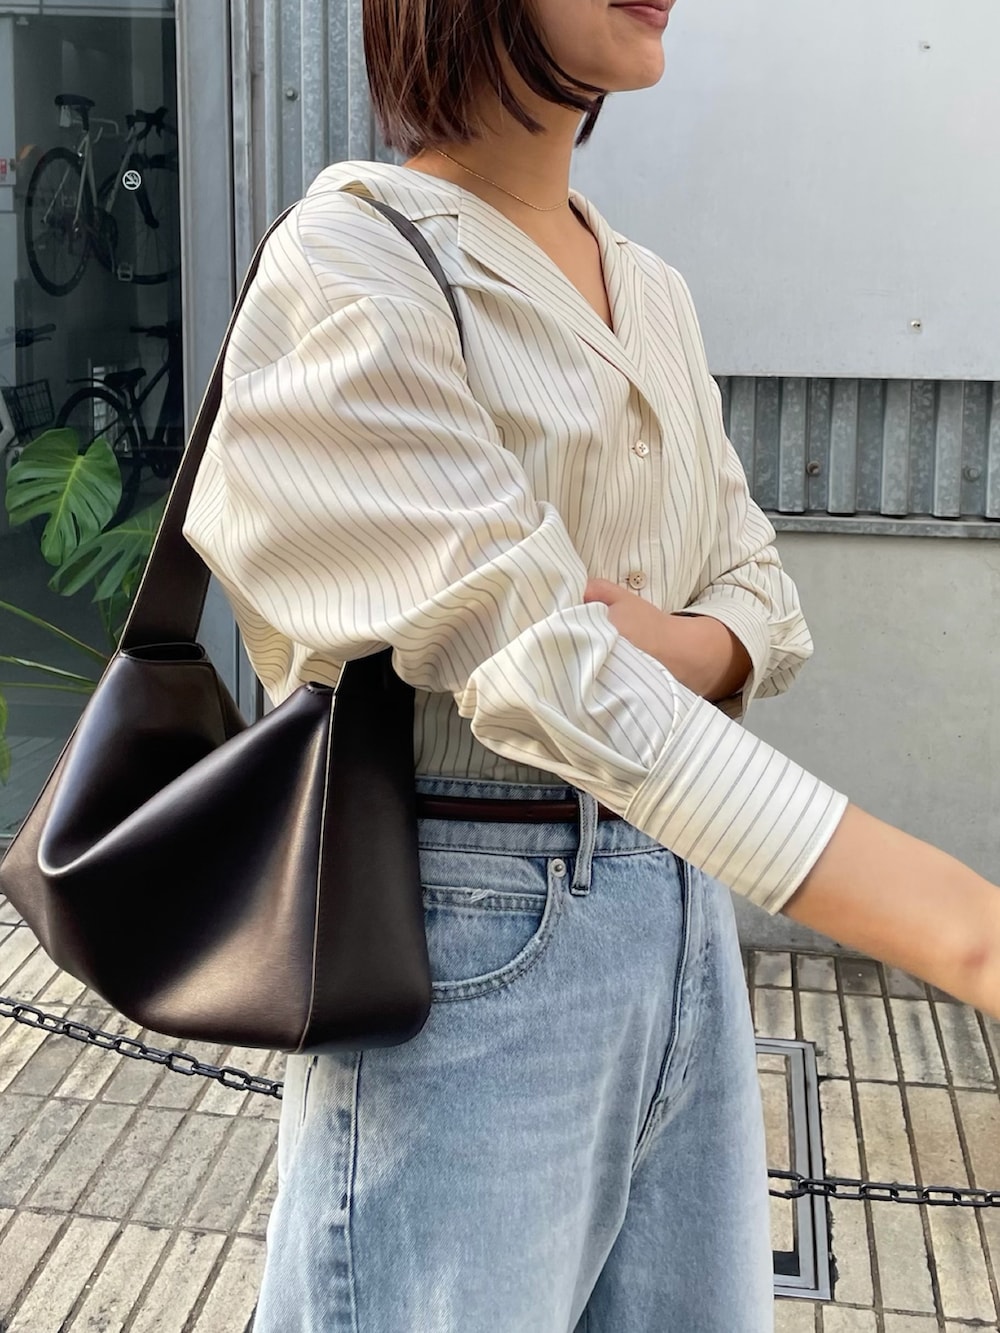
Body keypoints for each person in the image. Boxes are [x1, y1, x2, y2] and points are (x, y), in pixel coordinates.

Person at [182, 2, 1000, 1328]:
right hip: (462, 926)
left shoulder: (649, 288)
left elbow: (761, 589)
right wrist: (963, 929)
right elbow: (549, 669)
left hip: (679, 912)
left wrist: (674, 641)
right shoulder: (352, 261)